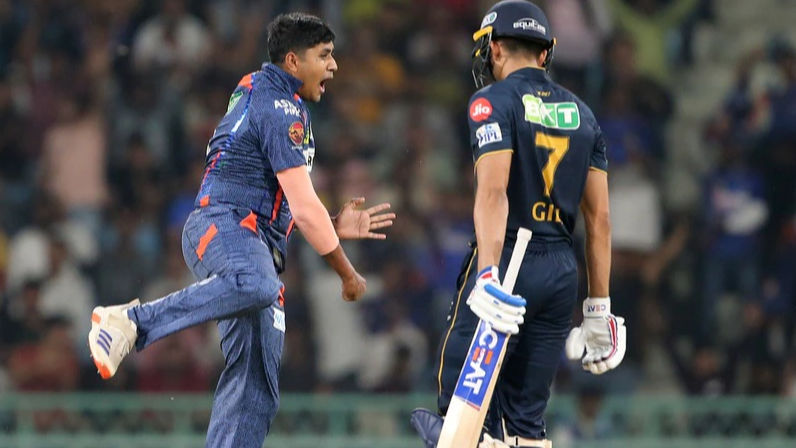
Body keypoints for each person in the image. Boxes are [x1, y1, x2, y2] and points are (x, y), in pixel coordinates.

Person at [87, 13, 395, 448]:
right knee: (257, 284)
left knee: (257, 390)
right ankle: (131, 322)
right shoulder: (281, 104)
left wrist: (331, 225)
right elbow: (303, 208)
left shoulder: (269, 95)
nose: (334, 66)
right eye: (324, 55)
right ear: (293, 60)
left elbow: (287, 200)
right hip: (224, 225)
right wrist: (347, 273)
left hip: (251, 241)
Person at [411, 2, 626, 447]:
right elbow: (599, 220)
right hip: (561, 269)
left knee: (459, 418)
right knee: (526, 426)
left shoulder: (492, 102)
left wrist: (488, 274)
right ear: (545, 53)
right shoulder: (584, 114)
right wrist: (598, 307)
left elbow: (492, 193)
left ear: (493, 47)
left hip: (511, 261)